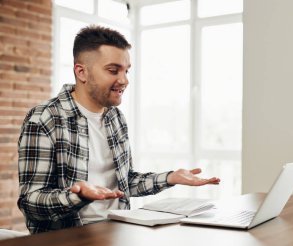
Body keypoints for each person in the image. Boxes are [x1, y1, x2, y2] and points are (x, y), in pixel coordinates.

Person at [17, 25, 220, 234]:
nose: (124, 80)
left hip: (118, 232)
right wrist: (78, 196)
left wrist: (170, 177)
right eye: (113, 70)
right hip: (68, 239)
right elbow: (31, 202)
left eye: (126, 70)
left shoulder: (115, 118)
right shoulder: (44, 119)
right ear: (81, 72)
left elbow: (125, 183)